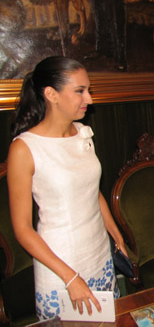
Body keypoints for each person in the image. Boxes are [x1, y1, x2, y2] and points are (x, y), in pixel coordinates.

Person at [6, 56, 127, 321]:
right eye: (80, 91)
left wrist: (115, 232)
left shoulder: (83, 133)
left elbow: (92, 192)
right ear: (51, 94)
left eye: (89, 90)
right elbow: (23, 229)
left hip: (99, 255)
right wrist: (71, 277)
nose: (90, 99)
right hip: (61, 266)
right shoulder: (24, 149)